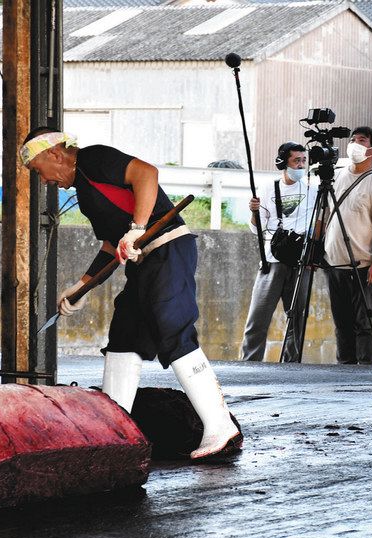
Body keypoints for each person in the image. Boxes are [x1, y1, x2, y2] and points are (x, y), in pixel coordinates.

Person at [20, 127, 242, 460]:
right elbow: (111, 245)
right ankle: (115, 431)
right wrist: (82, 286)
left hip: (167, 248)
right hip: (144, 260)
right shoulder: (84, 194)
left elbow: (146, 174)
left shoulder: (93, 158)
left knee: (172, 327)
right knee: (124, 335)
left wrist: (137, 227)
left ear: (54, 153)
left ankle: (219, 426)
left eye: (39, 170)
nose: (44, 180)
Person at [323, 127, 372, 364]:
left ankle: (366, 374)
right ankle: (344, 370)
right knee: (341, 324)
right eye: (353, 140)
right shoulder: (336, 175)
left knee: (365, 324)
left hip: (362, 265)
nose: (354, 144)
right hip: (333, 264)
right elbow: (323, 216)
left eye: (361, 140)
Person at [241, 142, 317, 362]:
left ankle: (291, 364)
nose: (301, 165)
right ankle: (250, 363)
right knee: (257, 318)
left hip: (300, 260)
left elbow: (319, 223)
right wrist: (253, 212)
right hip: (272, 259)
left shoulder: (312, 190)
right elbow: (257, 228)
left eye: (304, 160)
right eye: (296, 161)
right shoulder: (267, 189)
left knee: (297, 319)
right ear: (283, 162)